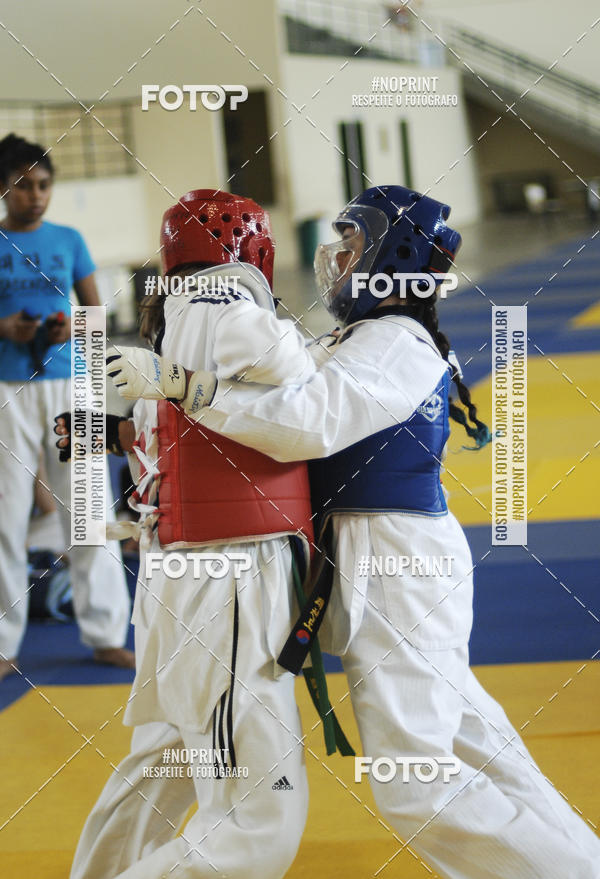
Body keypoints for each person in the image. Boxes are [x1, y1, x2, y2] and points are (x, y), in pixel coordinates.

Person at [112, 185, 600, 878]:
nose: (335, 265)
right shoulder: (359, 337)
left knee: (418, 786)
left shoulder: (399, 343)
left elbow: (305, 424)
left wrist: (190, 386)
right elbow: (281, 389)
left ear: (391, 258)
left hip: (399, 573)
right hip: (375, 566)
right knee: (478, 744)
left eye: (351, 250)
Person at [59, 190, 352, 879]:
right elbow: (292, 367)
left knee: (159, 768)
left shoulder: (175, 318)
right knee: (259, 813)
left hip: (188, 579)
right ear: (249, 249)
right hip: (225, 585)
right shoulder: (224, 309)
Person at [0, 133, 133, 679]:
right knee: (6, 518)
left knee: (90, 514)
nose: (36, 195)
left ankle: (105, 633)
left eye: (44, 185)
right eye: (24, 185)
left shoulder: (69, 239)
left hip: (69, 387)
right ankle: (5, 644)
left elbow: (97, 318)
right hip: (7, 391)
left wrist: (64, 329)